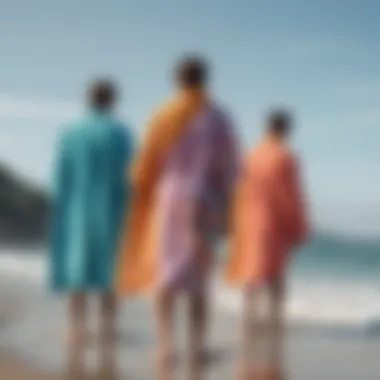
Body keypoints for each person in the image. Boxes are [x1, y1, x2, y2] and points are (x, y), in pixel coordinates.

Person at [117, 56, 239, 380]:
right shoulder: (221, 118)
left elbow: (144, 163)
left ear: (176, 80)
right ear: (206, 79)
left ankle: (165, 345)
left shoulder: (164, 113)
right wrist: (229, 209)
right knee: (200, 280)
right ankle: (196, 347)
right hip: (207, 202)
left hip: (169, 200)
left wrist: (140, 192)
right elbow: (231, 169)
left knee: (164, 276)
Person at [49, 79, 134, 375]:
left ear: (87, 99)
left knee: (78, 271)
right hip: (113, 210)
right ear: (113, 101)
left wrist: (59, 206)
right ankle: (108, 330)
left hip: (78, 209)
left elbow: (61, 177)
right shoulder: (121, 133)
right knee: (111, 273)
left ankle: (77, 329)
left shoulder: (71, 133)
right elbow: (130, 176)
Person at [225, 110, 308, 378]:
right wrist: (298, 228)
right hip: (272, 222)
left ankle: (248, 319)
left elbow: (236, 190)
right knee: (274, 276)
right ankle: (273, 323)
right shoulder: (285, 157)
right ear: (285, 129)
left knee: (252, 274)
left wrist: (233, 223)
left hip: (248, 221)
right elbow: (290, 196)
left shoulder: (249, 156)